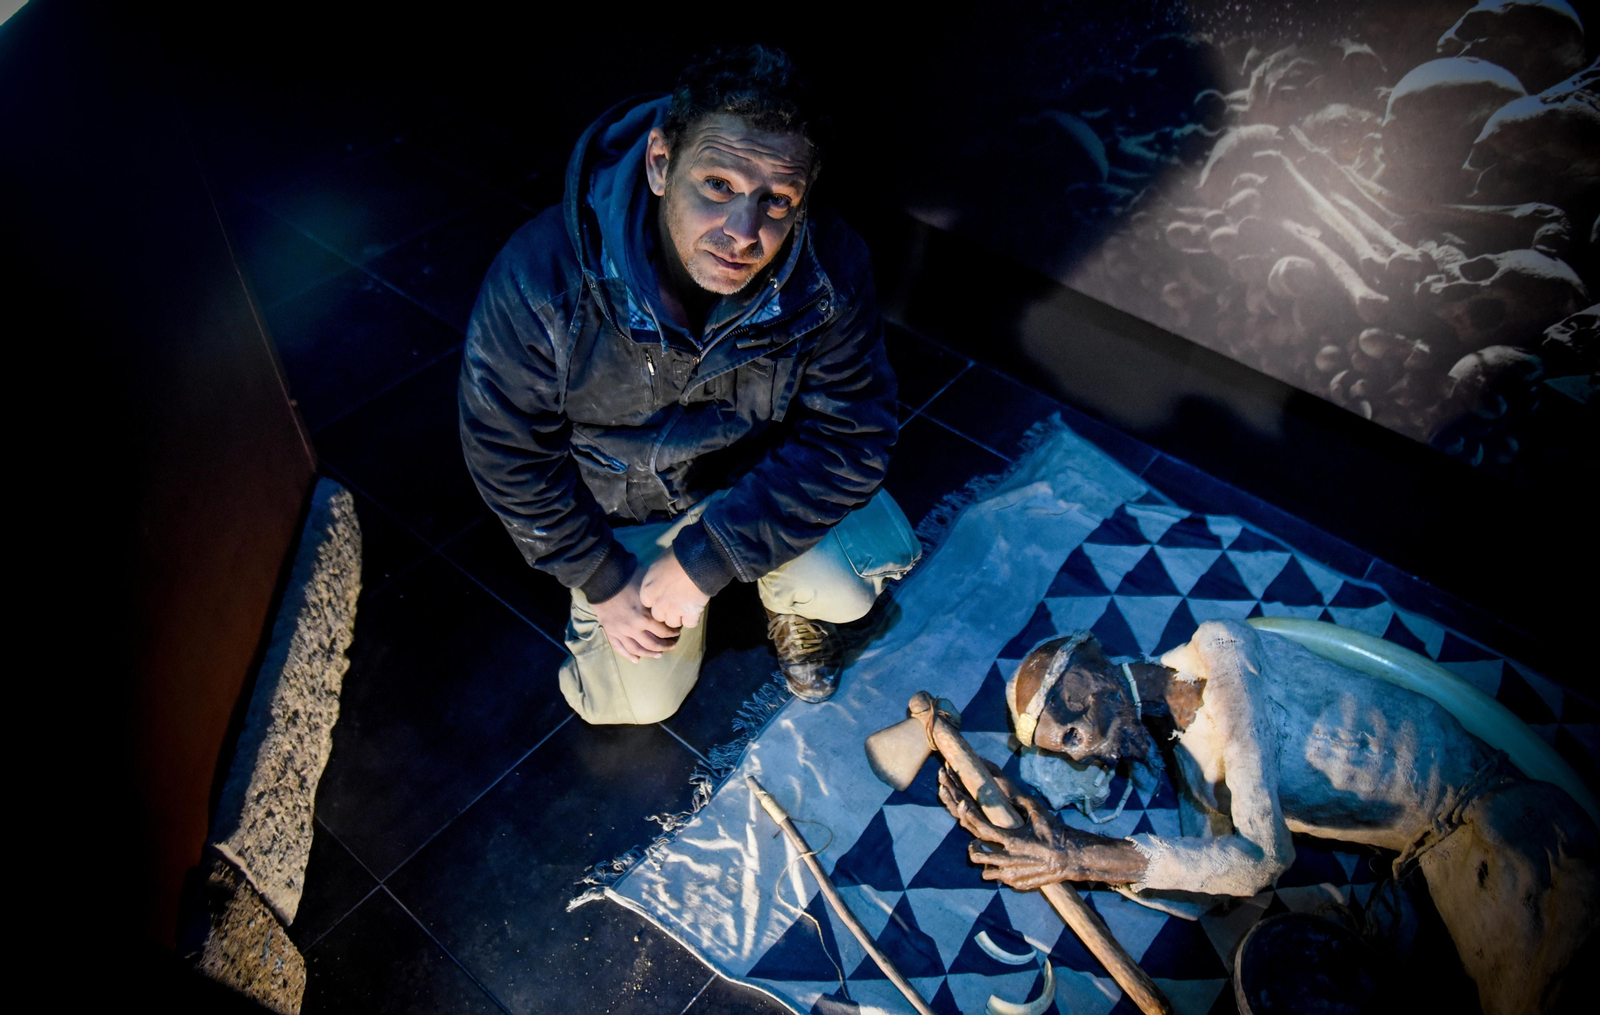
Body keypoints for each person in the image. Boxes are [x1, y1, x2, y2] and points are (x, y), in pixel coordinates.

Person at [459, 45, 918, 725]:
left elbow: (854, 436)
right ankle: (677, 590)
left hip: (751, 482)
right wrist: (603, 576)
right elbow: (504, 450)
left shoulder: (830, 270)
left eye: (777, 202)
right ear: (659, 162)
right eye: (719, 186)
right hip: (627, 511)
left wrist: (712, 555)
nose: (742, 233)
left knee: (852, 588)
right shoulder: (541, 277)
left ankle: (780, 598)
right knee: (628, 704)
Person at [938, 621, 1599, 1015]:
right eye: (1070, 749)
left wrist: (1079, 852)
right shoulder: (1188, 762)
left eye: (1073, 735)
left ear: (1091, 684)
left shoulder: (1220, 649)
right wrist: (1033, 823)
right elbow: (1207, 888)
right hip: (1426, 870)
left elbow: (1260, 860)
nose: (1089, 753)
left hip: (1505, 835)